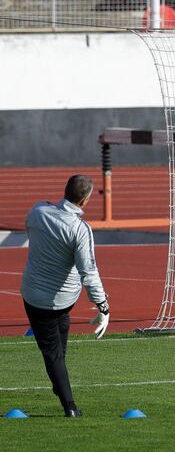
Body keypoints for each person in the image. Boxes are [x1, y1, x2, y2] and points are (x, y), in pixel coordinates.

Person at [20, 174, 110, 417]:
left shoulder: (38, 210)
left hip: (35, 296)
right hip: (58, 299)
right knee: (53, 352)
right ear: (85, 201)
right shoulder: (80, 229)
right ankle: (69, 407)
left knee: (56, 351)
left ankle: (59, 382)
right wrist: (103, 307)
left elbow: (30, 228)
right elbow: (89, 272)